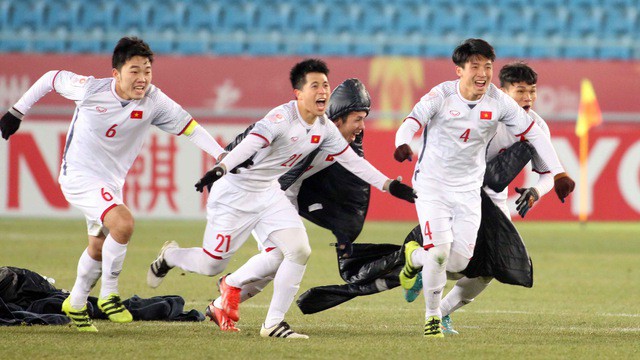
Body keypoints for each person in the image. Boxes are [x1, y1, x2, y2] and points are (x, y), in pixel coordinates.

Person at [146, 60, 416, 339]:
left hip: (269, 193)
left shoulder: (324, 128)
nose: (323, 90)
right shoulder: (280, 119)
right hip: (235, 191)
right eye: (315, 85)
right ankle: (174, 257)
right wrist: (220, 168)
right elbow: (250, 143)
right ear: (299, 92)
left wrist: (390, 187)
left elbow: (353, 164)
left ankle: (271, 323)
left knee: (296, 251)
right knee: (212, 264)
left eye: (325, 84)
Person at [0, 37, 225, 332]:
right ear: (116, 73)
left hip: (110, 183)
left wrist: (222, 157)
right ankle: (109, 295)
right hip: (78, 176)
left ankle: (77, 303)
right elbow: (49, 78)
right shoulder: (90, 88)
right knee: (124, 223)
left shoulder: (154, 100)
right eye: (134, 71)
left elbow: (190, 127)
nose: (142, 78)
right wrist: (17, 111)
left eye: (147, 70)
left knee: (98, 246)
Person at [394, 39, 575, 338]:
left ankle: (440, 304)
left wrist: (547, 184)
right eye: (520, 91)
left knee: (487, 267)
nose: (528, 97)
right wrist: (402, 141)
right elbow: (415, 119)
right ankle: (430, 312)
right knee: (441, 254)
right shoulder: (457, 100)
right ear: (506, 91)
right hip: (443, 186)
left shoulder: (530, 123)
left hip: (488, 199)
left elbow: (542, 165)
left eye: (532, 91)